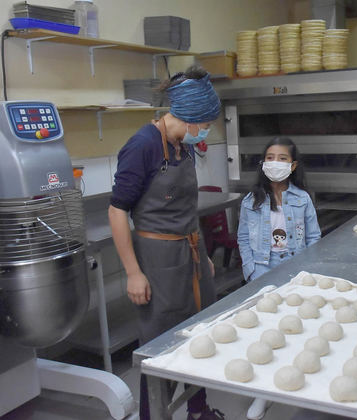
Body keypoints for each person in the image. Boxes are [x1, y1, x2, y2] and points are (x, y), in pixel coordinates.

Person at [109, 66, 224, 420]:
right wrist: (132, 273)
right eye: (204, 124)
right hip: (158, 261)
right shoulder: (142, 145)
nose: (206, 130)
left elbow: (188, 208)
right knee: (161, 346)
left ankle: (198, 409)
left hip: (191, 252)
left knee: (199, 334)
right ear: (189, 119)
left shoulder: (182, 147)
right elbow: (116, 211)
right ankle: (153, 415)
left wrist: (202, 256)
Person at [237, 137, 321, 419]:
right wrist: (251, 271)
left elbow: (314, 238)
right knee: (264, 335)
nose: (275, 163)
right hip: (262, 268)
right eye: (270, 157)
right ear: (263, 163)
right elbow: (242, 239)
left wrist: (307, 274)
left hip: (295, 269)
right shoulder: (252, 200)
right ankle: (262, 394)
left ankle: (295, 385)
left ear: (293, 165)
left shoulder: (302, 199)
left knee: (296, 330)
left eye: (282, 158)